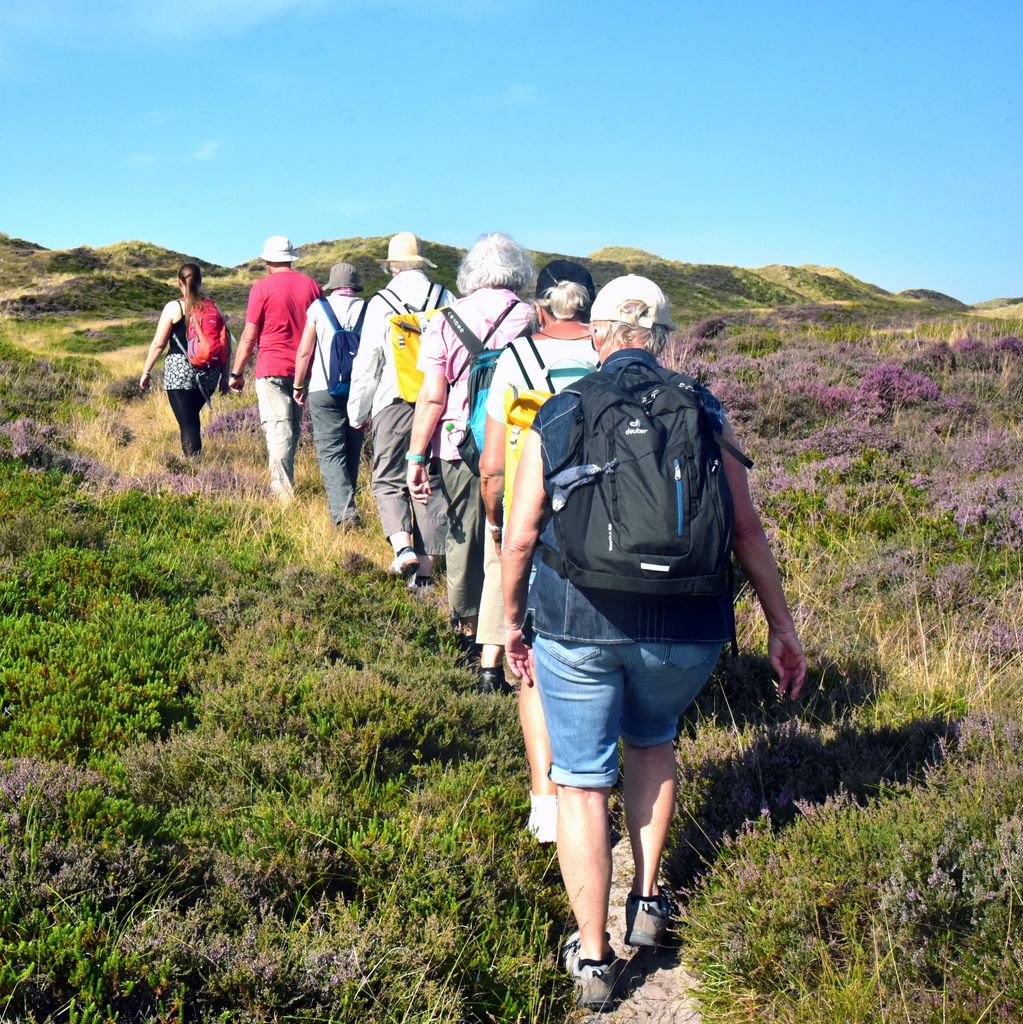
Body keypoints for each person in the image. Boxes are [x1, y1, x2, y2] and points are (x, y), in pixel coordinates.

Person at [501, 275, 807, 1010]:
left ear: (598, 334)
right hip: (686, 626)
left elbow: (518, 536)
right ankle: (644, 902)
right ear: (664, 338)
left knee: (579, 782)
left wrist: (512, 621)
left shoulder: (561, 409)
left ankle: (594, 958)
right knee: (653, 743)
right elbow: (744, 532)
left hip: (578, 620)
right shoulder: (704, 410)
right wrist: (780, 624)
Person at [478, 260, 598, 843]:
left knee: (532, 667)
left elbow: (494, 464)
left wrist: (498, 522)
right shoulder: (611, 356)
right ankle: (598, 786)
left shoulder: (518, 359)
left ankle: (546, 805)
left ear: (541, 308)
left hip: (542, 525)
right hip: (611, 529)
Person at [405, 233, 534, 692]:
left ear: (471, 272)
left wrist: (416, 455)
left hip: (458, 442)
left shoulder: (444, 320)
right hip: (517, 443)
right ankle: (498, 645)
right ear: (518, 271)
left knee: (463, 535)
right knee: (507, 541)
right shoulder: (530, 316)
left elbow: (432, 395)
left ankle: (464, 629)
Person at [347, 233, 452, 583]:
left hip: (393, 400)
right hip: (438, 401)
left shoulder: (381, 302)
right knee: (430, 480)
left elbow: (367, 363)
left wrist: (358, 412)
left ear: (392, 266)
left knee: (388, 478)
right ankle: (425, 572)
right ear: (423, 264)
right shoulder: (445, 297)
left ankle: (402, 547)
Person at [229, 236, 323, 500]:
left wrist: (236, 373)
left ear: (268, 260)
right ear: (291, 257)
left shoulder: (261, 288)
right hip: (304, 371)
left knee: (279, 429)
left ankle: (282, 495)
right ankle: (285, 486)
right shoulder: (312, 287)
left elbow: (249, 337)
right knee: (291, 428)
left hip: (271, 368)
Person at [292, 262, 366, 529]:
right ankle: (346, 504)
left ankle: (345, 514)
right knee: (352, 449)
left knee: (331, 452)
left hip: (323, 389)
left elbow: (304, 352)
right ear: (356, 286)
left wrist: (298, 386)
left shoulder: (318, 308)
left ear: (332, 286)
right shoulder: (368, 309)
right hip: (360, 390)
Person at [139, 262, 229, 456]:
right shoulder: (213, 308)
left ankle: (193, 468)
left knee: (188, 423)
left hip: (180, 372)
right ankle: (194, 462)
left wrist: (146, 371)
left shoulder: (174, 307)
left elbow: (158, 344)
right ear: (200, 281)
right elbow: (225, 344)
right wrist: (224, 377)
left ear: (179, 282)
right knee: (192, 419)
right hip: (209, 374)